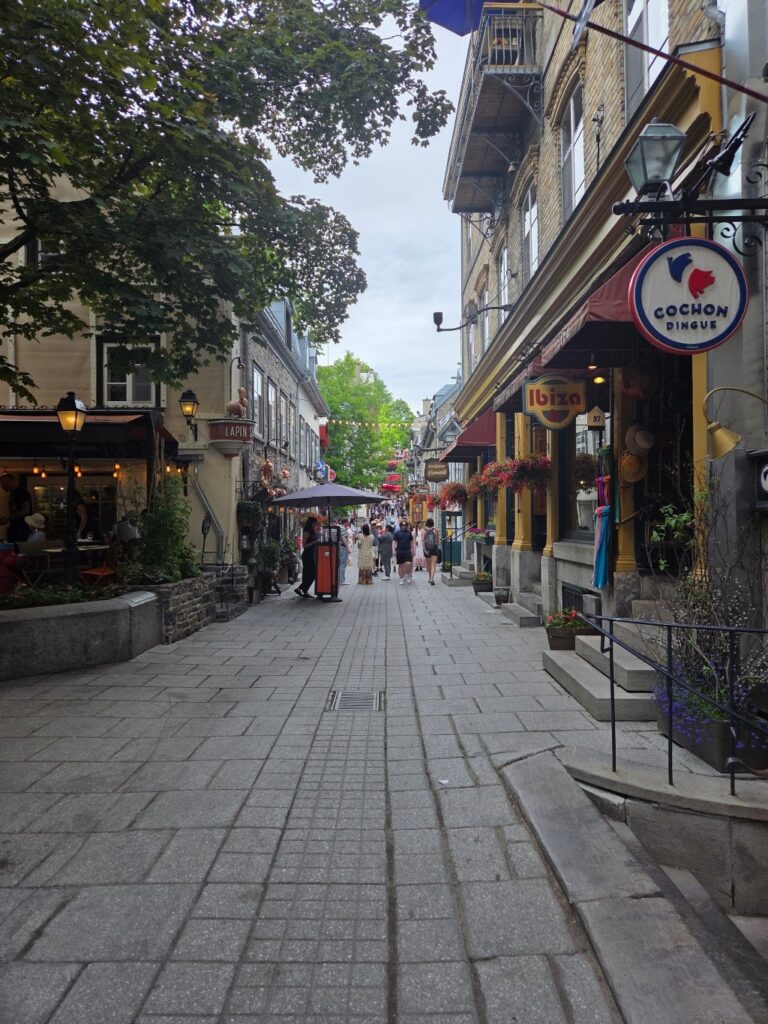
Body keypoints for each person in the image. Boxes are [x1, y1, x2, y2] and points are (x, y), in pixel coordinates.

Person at [0, 473, 32, 543]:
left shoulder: (22, 492)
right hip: (15, 528)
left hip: (21, 528)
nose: (1, 486)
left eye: (2, 483)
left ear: (9, 481)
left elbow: (25, 510)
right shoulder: (12, 494)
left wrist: (8, 518)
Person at [295, 516, 320, 598]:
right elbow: (304, 545)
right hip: (308, 555)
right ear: (311, 523)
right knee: (312, 573)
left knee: (309, 574)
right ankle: (301, 588)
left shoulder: (313, 530)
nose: (316, 525)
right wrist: (314, 542)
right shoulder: (306, 532)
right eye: (315, 524)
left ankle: (304, 591)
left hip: (313, 554)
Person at [394, 517, 415, 584]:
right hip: (399, 550)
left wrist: (413, 550)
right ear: (400, 526)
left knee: (408, 563)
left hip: (407, 550)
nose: (404, 526)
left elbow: (411, 542)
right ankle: (401, 578)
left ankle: (408, 575)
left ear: (407, 526)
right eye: (402, 525)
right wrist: (393, 550)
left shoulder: (409, 533)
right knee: (400, 565)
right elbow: (394, 541)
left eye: (405, 525)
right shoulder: (397, 533)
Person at [422, 518, 441, 586]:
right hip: (434, 548)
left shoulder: (423, 531)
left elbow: (423, 541)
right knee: (433, 564)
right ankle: (432, 578)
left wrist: (425, 550)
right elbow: (438, 541)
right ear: (433, 523)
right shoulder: (436, 530)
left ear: (426, 523)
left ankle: (429, 577)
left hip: (427, 548)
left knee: (428, 565)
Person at [338, 518, 352, 585]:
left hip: (339, 547)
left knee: (340, 564)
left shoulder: (339, 527)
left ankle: (339, 579)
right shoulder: (343, 528)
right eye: (348, 522)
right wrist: (348, 548)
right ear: (346, 522)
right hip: (342, 547)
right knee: (342, 564)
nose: (349, 523)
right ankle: (342, 580)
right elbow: (344, 539)